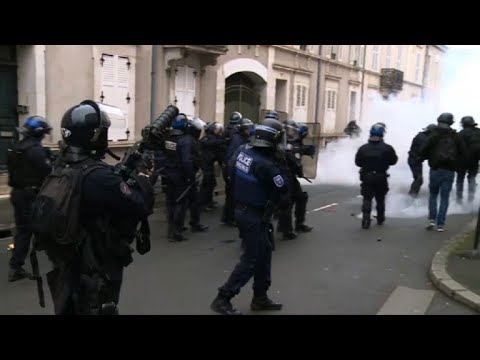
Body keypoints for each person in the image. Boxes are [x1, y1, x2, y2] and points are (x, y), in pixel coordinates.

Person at [38, 100, 154, 314]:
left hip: (67, 264)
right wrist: (144, 177)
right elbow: (140, 205)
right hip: (97, 269)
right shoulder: (98, 177)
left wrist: (124, 169)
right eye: (103, 133)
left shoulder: (61, 166)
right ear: (93, 136)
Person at [210, 118, 288, 315]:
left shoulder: (244, 152)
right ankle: (223, 298)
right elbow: (283, 190)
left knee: (264, 255)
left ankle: (260, 297)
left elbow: (230, 172)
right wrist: (282, 162)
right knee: (251, 260)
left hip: (244, 209)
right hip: (254, 215)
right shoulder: (267, 166)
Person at [6, 116, 53, 282]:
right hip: (30, 196)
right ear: (39, 134)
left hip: (18, 193)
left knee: (24, 229)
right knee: (29, 230)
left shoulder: (18, 147)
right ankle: (16, 267)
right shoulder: (35, 151)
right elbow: (47, 171)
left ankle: (24, 257)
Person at [420, 113, 467, 232]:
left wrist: (426, 157)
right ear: (451, 122)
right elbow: (463, 152)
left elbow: (423, 150)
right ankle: (440, 225)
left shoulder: (433, 135)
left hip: (435, 170)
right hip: (450, 171)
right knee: (445, 197)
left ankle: (432, 220)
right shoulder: (456, 136)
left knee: (433, 195)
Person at [355, 123, 398, 229]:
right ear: (382, 134)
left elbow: (358, 162)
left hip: (367, 176)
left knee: (367, 198)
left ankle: (365, 220)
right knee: (380, 198)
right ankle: (380, 218)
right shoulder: (387, 148)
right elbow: (393, 161)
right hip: (381, 176)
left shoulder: (363, 148)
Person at [277, 120, 313, 240]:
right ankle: (286, 230)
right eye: (290, 130)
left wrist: (307, 150)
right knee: (286, 203)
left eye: (293, 130)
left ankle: (298, 224)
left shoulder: (290, 143)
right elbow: (294, 161)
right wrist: (300, 171)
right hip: (285, 176)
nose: (291, 132)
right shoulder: (285, 144)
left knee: (300, 198)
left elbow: (299, 149)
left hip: (289, 176)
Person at [221, 117, 254, 226]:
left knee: (231, 195)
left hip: (231, 169)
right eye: (247, 129)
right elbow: (232, 159)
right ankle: (230, 218)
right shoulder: (237, 139)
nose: (249, 131)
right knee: (232, 195)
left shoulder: (241, 138)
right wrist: (231, 175)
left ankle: (226, 217)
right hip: (231, 170)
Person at [199, 122, 226, 211]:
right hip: (206, 164)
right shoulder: (213, 140)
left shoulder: (206, 138)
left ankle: (208, 201)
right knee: (207, 184)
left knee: (210, 183)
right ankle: (204, 204)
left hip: (206, 164)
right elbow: (217, 150)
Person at [407, 124, 437, 198]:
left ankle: (412, 196)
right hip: (414, 160)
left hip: (415, 159)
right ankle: (411, 197)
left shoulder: (422, 136)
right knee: (418, 179)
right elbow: (424, 151)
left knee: (418, 179)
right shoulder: (423, 138)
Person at [456, 116, 480, 203]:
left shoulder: (460, 134)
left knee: (460, 179)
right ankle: (470, 200)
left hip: (461, 160)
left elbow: (456, 148)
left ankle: (459, 200)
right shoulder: (479, 131)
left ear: (463, 124)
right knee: (472, 178)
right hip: (475, 160)